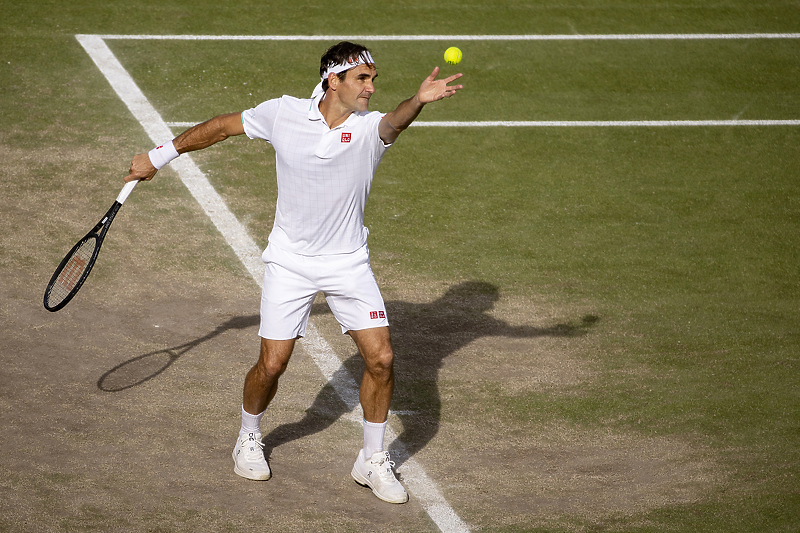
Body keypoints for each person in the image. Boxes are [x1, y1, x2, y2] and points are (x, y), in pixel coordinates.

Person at [124, 41, 463, 504]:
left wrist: (419, 101)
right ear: (333, 80)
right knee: (272, 363)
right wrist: (159, 156)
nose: (371, 87)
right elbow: (222, 128)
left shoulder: (369, 128)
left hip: (348, 263)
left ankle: (371, 458)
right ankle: (248, 434)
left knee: (381, 359)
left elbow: (394, 120)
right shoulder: (282, 113)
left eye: (374, 78)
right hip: (290, 262)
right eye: (362, 78)